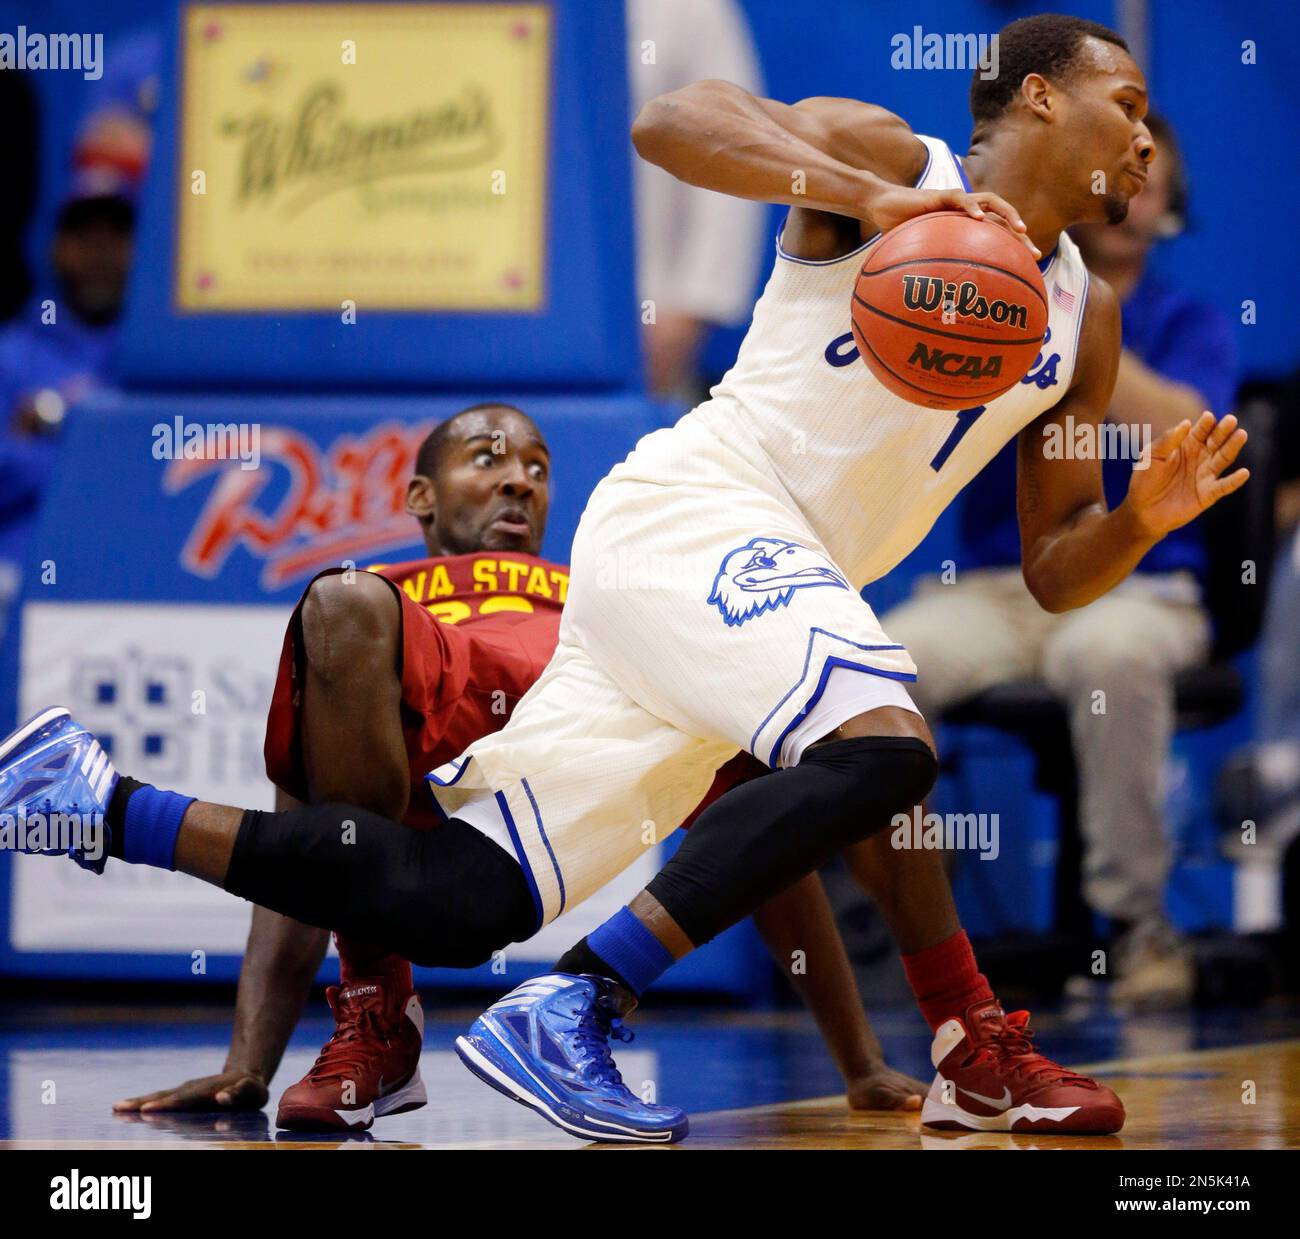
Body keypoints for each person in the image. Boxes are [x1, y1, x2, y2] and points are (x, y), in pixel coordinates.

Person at [1, 15, 1247, 1143]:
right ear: (1034, 98)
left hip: (751, 586)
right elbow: (672, 120)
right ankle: (614, 1006)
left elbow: (1053, 566)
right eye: (1126, 104)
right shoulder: (899, 161)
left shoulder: (1084, 320)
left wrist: (1138, 520)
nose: (1144, 141)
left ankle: (95, 799)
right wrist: (867, 198)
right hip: (702, 512)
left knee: (456, 899)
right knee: (884, 741)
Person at [108, 401, 922, 1131]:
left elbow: (762, 841)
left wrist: (860, 1062)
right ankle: (378, 1017)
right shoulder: (379, 603)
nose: (519, 483)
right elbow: (299, 843)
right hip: (438, 669)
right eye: (488, 458)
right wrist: (250, 1062)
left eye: (536, 468)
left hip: (581, 688)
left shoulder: (602, 591)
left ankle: (962, 1015)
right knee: (341, 598)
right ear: (422, 496)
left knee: (821, 743)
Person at [875, 113, 1237, 1009]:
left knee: (1102, 654)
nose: (1130, 186)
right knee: (873, 672)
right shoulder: (990, 283)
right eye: (1113, 167)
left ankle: (1137, 927)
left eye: (1150, 174)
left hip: (1143, 588)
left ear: (1172, 203)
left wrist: (1079, 329)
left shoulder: (1188, 319)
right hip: (999, 590)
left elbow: (1186, 428)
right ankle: (915, 935)